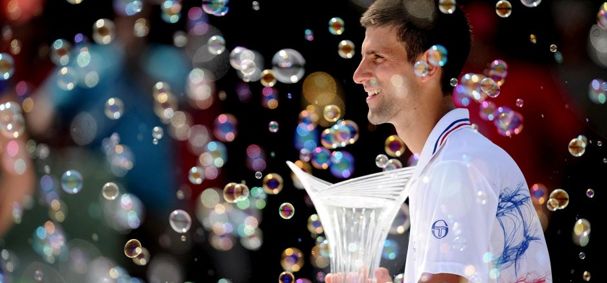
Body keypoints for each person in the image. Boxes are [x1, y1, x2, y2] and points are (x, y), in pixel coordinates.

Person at [328, 0, 553, 282]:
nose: (358, 74)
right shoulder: (451, 158)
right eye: (362, 57)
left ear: (429, 66)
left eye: (377, 58)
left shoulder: (456, 165)